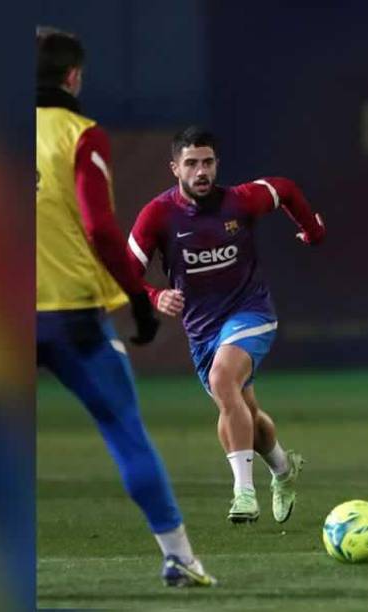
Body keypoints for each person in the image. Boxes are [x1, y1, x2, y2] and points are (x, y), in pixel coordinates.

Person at [35, 27, 214, 587]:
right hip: (71, 317)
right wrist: (138, 297)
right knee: (124, 431)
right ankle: (180, 557)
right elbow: (99, 227)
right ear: (73, 77)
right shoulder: (79, 135)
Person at [127, 126, 323, 524]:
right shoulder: (158, 215)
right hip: (203, 332)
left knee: (222, 380)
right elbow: (124, 271)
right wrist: (154, 295)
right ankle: (283, 470)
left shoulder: (240, 201)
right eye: (192, 163)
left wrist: (312, 229)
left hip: (253, 312)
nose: (201, 171)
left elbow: (283, 188)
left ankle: (243, 493)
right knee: (245, 415)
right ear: (174, 168)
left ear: (217, 164)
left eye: (208, 163)